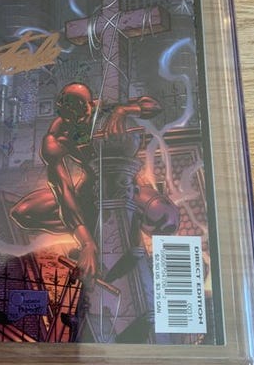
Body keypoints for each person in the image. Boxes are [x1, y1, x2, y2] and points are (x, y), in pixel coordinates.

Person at [10, 82, 179, 284]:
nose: (78, 117)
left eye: (81, 109)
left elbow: (154, 106)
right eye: (69, 111)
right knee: (23, 213)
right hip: (89, 192)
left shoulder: (105, 109)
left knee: (165, 217)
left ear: (90, 104)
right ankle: (88, 231)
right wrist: (86, 242)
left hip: (124, 184)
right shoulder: (57, 137)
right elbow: (63, 190)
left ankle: (107, 234)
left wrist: (124, 110)